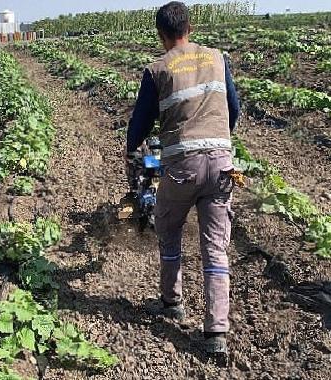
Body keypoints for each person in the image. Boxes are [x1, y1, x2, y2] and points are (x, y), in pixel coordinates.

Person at [126, 1, 240, 354]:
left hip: (182, 166)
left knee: (168, 227)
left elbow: (141, 123)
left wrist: (132, 150)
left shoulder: (158, 67)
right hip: (222, 164)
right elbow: (233, 109)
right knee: (215, 247)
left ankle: (172, 302)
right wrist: (219, 141)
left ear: (161, 34)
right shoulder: (217, 58)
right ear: (190, 27)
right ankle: (216, 332)